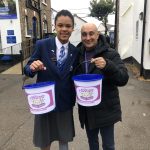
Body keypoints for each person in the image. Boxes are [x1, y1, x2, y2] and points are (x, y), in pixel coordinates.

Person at [24, 10, 79, 150]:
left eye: (68, 26)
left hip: (65, 102)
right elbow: (27, 69)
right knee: (45, 141)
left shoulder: (75, 51)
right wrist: (32, 67)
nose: (64, 29)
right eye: (60, 25)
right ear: (55, 26)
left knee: (64, 139)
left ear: (72, 28)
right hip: (44, 103)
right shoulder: (42, 45)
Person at [76, 23, 129, 150]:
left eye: (91, 33)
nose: (88, 38)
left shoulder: (110, 53)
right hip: (87, 110)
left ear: (98, 34)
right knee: (92, 144)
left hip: (106, 109)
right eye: (84, 34)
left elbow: (123, 78)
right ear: (81, 36)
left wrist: (108, 66)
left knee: (108, 146)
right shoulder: (77, 54)